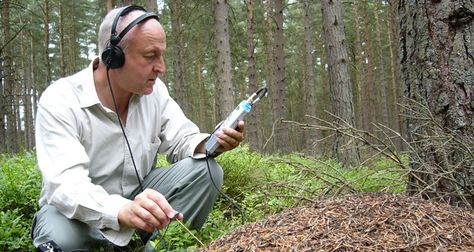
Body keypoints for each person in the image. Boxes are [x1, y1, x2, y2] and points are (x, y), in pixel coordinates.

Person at [31, 5, 244, 251]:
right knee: (62, 241)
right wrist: (121, 210)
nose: (161, 67)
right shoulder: (61, 100)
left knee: (207, 170)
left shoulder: (155, 93)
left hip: (138, 201)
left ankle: (159, 247)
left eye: (162, 55)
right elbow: (66, 186)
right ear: (113, 56)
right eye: (150, 56)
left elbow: (182, 138)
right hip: (76, 214)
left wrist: (212, 143)